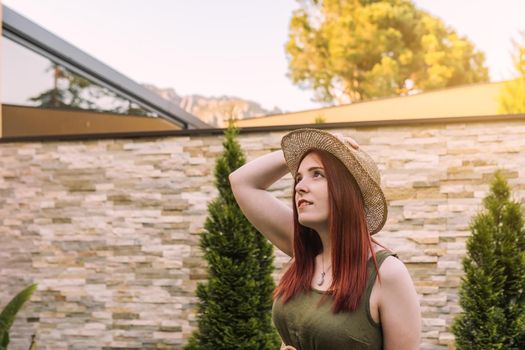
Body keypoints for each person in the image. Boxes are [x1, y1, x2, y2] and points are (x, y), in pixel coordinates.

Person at [228, 128, 421, 350]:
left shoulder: (385, 273)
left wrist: (324, 145)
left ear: (346, 189)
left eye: (317, 174)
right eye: (298, 178)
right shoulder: (305, 251)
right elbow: (241, 181)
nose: (299, 186)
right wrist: (310, 147)